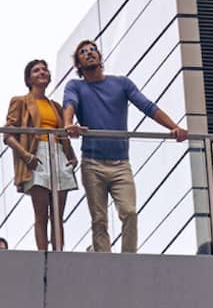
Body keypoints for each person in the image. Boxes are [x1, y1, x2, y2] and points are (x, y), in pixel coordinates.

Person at [61, 39, 187, 254]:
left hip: (121, 164)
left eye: (93, 50)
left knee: (129, 212)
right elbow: (69, 104)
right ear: (78, 65)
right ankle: (104, 260)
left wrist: (175, 128)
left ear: (100, 57)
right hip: (92, 163)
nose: (89, 53)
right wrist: (68, 125)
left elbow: (146, 105)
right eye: (83, 52)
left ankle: (129, 259)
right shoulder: (76, 86)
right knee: (99, 219)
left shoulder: (121, 84)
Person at [3, 56, 78, 251]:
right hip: (36, 154)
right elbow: (8, 134)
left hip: (58, 153)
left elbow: (63, 135)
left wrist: (71, 156)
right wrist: (26, 156)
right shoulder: (20, 102)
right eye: (36, 70)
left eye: (44, 69)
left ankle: (59, 253)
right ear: (28, 79)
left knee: (58, 215)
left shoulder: (55, 106)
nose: (42, 72)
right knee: (41, 213)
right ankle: (43, 254)